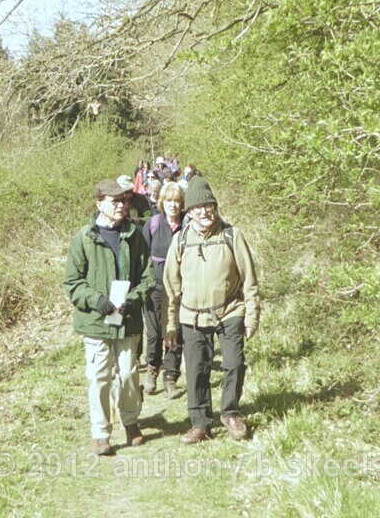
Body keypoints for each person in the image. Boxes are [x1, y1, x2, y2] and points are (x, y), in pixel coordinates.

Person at [163, 176, 260, 444]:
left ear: (215, 207)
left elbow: (250, 280)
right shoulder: (180, 241)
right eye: (197, 208)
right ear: (190, 212)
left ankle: (230, 413)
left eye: (209, 206)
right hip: (191, 315)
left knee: (234, 364)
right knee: (196, 370)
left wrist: (251, 315)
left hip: (230, 311)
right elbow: (170, 287)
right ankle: (200, 423)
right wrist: (169, 326)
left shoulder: (232, 235)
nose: (204, 212)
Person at [63, 179, 155, 456]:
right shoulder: (84, 238)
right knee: (99, 377)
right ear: (98, 203)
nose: (121, 205)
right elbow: (72, 282)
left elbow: (148, 277)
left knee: (128, 374)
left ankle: (130, 422)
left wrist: (133, 300)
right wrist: (97, 301)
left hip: (127, 320)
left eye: (124, 201)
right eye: (114, 201)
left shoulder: (134, 235)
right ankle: (101, 433)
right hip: (95, 321)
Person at [142, 182, 186, 399]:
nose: (173, 206)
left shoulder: (188, 225)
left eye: (177, 201)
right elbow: (141, 257)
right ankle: (152, 368)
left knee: (175, 333)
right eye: (169, 201)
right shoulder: (153, 224)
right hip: (155, 288)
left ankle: (171, 377)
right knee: (154, 333)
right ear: (162, 203)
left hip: (181, 289)